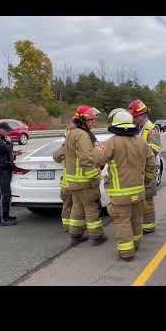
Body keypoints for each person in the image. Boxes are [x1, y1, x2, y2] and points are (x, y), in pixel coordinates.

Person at [92, 108, 156, 261]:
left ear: (115, 126)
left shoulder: (111, 143)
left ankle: (126, 253)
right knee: (136, 219)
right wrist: (146, 181)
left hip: (120, 195)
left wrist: (96, 149)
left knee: (122, 221)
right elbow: (151, 165)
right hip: (139, 192)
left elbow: (98, 160)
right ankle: (136, 243)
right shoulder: (141, 142)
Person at [64, 105, 107, 246]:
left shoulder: (71, 133)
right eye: (91, 120)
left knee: (77, 208)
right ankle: (97, 236)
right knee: (91, 208)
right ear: (82, 120)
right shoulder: (83, 135)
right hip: (85, 180)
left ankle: (75, 236)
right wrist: (95, 176)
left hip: (74, 181)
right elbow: (86, 159)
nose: (93, 123)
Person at [128, 99, 161, 234]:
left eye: (135, 116)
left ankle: (149, 226)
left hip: (148, 168)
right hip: (136, 170)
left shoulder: (152, 129)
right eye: (132, 116)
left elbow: (155, 148)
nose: (133, 119)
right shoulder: (134, 128)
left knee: (147, 198)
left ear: (142, 115)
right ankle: (138, 224)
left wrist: (138, 152)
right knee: (137, 198)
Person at [52, 125, 75, 233]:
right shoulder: (83, 144)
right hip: (79, 183)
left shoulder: (65, 147)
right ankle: (76, 228)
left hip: (67, 184)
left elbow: (56, 157)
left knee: (67, 206)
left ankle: (68, 227)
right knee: (78, 207)